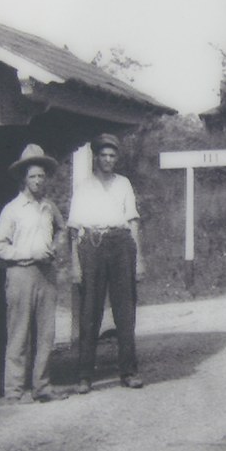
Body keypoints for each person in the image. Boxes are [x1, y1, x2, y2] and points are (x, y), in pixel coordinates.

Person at [69, 133, 146, 391]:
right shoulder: (84, 187)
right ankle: (84, 375)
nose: (108, 160)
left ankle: (129, 371)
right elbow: (74, 230)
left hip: (121, 244)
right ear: (96, 158)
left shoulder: (123, 183)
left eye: (112, 155)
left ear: (117, 158)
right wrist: (75, 264)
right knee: (89, 311)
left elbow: (133, 222)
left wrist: (138, 259)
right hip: (92, 245)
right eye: (103, 155)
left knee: (125, 312)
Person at [0, 143, 66, 403]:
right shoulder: (12, 209)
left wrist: (56, 247)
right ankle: (13, 391)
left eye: (41, 176)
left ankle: (42, 387)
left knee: (46, 334)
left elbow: (61, 229)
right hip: (21, 274)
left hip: (46, 275)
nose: (37, 181)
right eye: (33, 176)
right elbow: (0, 246)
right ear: (24, 178)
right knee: (19, 334)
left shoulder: (48, 207)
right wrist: (28, 254)